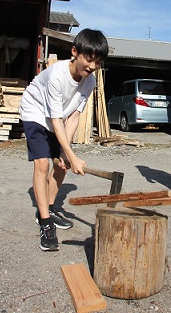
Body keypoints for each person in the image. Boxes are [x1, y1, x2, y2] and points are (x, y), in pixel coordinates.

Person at [20, 29, 108, 251]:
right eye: (89, 59)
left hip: (58, 118)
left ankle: (48, 208)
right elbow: (56, 120)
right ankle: (45, 222)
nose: (92, 66)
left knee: (61, 164)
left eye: (97, 62)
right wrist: (71, 154)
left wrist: (64, 154)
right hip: (35, 113)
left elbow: (74, 116)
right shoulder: (57, 75)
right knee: (42, 163)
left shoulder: (90, 81)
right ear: (74, 52)